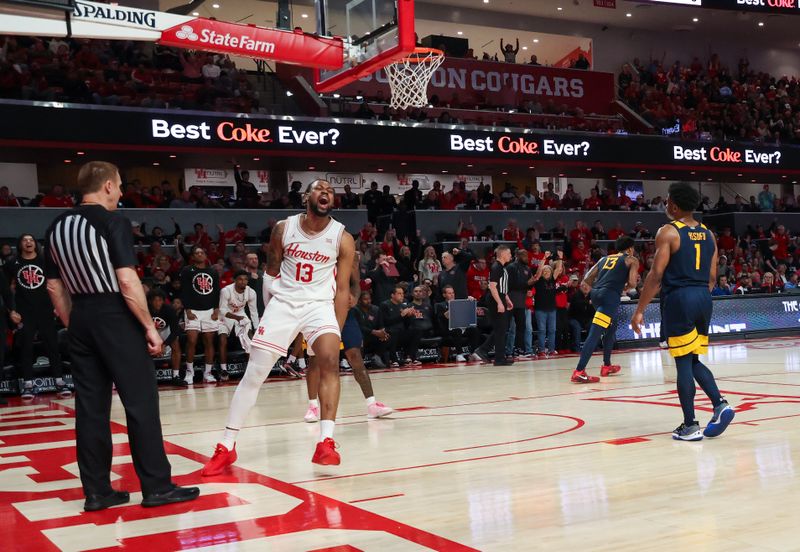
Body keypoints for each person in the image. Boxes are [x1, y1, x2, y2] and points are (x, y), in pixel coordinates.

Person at [45, 161, 198, 511]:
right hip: (114, 314)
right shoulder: (113, 221)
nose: (121, 193)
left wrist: (74, 323)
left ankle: (97, 492)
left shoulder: (56, 225)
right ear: (109, 186)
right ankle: (157, 486)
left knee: (90, 408)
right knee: (140, 402)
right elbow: (127, 280)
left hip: (80, 316)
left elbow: (53, 286)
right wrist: (148, 326)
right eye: (119, 186)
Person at [202, 179, 355, 474]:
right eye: (320, 188)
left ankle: (326, 442)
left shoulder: (342, 237)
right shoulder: (284, 229)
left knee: (329, 362)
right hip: (284, 303)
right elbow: (270, 274)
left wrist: (335, 329)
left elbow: (343, 288)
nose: (326, 193)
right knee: (255, 373)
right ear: (306, 197)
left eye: (331, 191)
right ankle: (227, 445)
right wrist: (270, 315)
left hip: (319, 306)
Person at [632, 182, 735, 441]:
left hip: (680, 297)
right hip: (703, 296)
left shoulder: (668, 232)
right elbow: (713, 277)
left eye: (667, 201)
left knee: (681, 363)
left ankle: (689, 426)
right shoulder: (708, 234)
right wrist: (698, 296)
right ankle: (720, 404)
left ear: (674, 206)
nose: (666, 205)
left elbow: (656, 276)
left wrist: (640, 310)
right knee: (692, 359)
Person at [304, 256, 393, 422]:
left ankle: (372, 404)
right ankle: (313, 406)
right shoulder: (316, 256)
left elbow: (356, 284)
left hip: (346, 313)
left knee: (355, 356)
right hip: (320, 312)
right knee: (315, 360)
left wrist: (355, 296)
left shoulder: (348, 259)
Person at [7, 234, 69, 399]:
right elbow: (6, 289)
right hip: (24, 312)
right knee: (26, 347)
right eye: (25, 240)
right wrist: (11, 310)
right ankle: (28, 385)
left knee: (53, 346)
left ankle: (59, 382)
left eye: (31, 240)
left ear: (35, 244)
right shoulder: (12, 263)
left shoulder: (45, 261)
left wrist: (58, 306)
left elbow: (56, 284)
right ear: (20, 244)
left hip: (46, 310)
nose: (28, 242)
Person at [570, 237, 639, 384]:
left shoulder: (603, 259)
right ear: (630, 249)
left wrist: (601, 288)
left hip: (596, 294)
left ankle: (606, 366)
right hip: (609, 297)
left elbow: (587, 280)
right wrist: (621, 288)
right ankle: (579, 371)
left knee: (611, 326)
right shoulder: (632, 260)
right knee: (595, 333)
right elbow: (633, 283)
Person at [180, 245, 221, 384]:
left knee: (209, 342)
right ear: (192, 256)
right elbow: (184, 291)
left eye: (202, 252)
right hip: (193, 311)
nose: (200, 254)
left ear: (205, 255)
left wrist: (216, 309)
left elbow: (216, 291)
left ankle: (207, 373)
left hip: (209, 311)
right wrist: (187, 310)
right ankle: (189, 372)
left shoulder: (213, 272)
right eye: (196, 253)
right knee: (191, 341)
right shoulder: (187, 270)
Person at [474, 245, 514, 366]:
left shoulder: (501, 267)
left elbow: (501, 286)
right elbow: (492, 286)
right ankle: (497, 357)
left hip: (500, 297)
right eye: (509, 254)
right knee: (501, 329)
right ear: (502, 254)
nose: (510, 256)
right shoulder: (497, 267)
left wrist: (506, 298)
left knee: (500, 329)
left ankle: (485, 351)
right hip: (494, 299)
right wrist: (500, 303)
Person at [218, 270, 259, 379]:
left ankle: (252, 369)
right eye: (240, 279)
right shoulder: (226, 291)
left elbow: (253, 312)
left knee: (248, 338)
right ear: (234, 280)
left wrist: (256, 328)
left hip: (240, 314)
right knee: (222, 339)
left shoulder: (251, 292)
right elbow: (222, 310)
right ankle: (223, 369)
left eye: (245, 279)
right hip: (226, 316)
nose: (243, 282)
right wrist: (236, 318)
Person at [148, 289, 184, 386]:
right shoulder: (145, 309)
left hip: (164, 330)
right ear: (150, 301)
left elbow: (175, 331)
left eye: (160, 300)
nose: (157, 303)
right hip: (148, 331)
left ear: (163, 301)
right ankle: (142, 376)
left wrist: (164, 345)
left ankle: (176, 376)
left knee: (175, 344)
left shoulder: (169, 310)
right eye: (155, 300)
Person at [436, 285, 482, 362]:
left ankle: (473, 352)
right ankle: (459, 354)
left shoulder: (459, 303)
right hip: (448, 329)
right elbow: (445, 317)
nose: (452, 294)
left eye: (453, 293)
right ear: (444, 295)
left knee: (474, 329)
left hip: (461, 327)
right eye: (449, 293)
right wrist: (455, 306)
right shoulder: (440, 305)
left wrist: (469, 303)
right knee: (457, 330)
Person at [531, 252, 564, 358]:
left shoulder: (552, 280)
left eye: (548, 270)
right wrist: (544, 258)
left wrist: (560, 258)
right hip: (540, 309)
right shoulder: (539, 280)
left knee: (552, 330)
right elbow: (538, 270)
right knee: (542, 330)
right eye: (544, 271)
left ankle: (551, 349)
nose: (546, 272)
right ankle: (541, 350)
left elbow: (558, 269)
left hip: (551, 309)